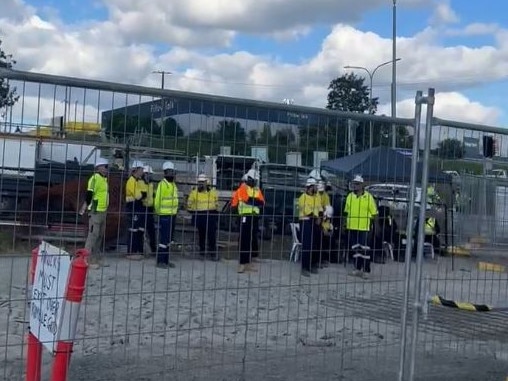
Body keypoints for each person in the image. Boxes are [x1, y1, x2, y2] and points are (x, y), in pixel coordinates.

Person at [344, 175, 378, 279]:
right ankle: (357, 268)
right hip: (352, 227)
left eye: (357, 184)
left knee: (365, 249)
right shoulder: (350, 196)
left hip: (364, 227)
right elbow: (346, 212)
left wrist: (376, 227)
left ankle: (366, 270)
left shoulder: (368, 197)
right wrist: (344, 225)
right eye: (354, 183)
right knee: (355, 248)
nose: (355, 186)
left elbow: (374, 213)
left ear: (362, 185)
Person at [81, 157, 109, 269]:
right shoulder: (94, 179)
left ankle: (95, 258)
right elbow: (89, 194)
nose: (107, 169)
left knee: (99, 236)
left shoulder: (104, 179)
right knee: (93, 235)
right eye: (105, 167)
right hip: (96, 211)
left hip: (103, 211)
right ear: (99, 167)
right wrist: (85, 206)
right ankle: (86, 259)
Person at [236, 169, 265, 273]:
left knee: (252, 239)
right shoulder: (242, 188)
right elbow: (247, 200)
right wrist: (255, 201)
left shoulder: (257, 190)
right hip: (245, 216)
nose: (255, 182)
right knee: (244, 240)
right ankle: (242, 263)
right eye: (254, 180)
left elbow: (262, 202)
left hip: (254, 217)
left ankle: (249, 262)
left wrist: (254, 201)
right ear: (249, 179)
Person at [187, 174, 219, 260]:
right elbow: (189, 205)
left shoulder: (212, 192)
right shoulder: (194, 193)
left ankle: (212, 253)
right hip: (200, 215)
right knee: (202, 234)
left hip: (211, 215)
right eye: (199, 182)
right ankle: (202, 251)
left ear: (206, 182)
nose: (200, 184)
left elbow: (216, 204)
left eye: (202, 182)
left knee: (211, 235)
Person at [154, 161, 179, 269]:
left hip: (172, 215)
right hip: (164, 215)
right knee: (163, 239)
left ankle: (166, 260)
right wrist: (159, 213)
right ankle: (160, 261)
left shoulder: (173, 184)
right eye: (169, 171)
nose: (171, 174)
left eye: (172, 171)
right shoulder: (162, 185)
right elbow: (157, 201)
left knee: (168, 239)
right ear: (165, 173)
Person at [298, 177, 323, 277]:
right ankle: (305, 267)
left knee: (315, 244)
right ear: (310, 187)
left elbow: (320, 208)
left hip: (316, 222)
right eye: (315, 186)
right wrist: (316, 218)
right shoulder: (302, 198)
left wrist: (320, 217)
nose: (316, 188)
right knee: (307, 245)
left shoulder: (316, 197)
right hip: (306, 222)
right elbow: (308, 212)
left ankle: (313, 264)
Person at [125, 160, 146, 260]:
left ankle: (136, 251)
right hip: (133, 206)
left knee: (137, 229)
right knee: (133, 230)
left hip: (137, 207)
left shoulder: (136, 181)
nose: (142, 172)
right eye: (141, 169)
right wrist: (143, 194)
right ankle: (131, 252)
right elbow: (138, 196)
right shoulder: (132, 181)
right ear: (136, 170)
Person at [140, 165, 157, 255]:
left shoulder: (151, 184)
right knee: (141, 230)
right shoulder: (140, 183)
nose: (149, 176)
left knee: (151, 231)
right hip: (142, 208)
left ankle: (153, 249)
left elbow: (153, 196)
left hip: (150, 209)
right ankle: (141, 249)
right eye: (148, 174)